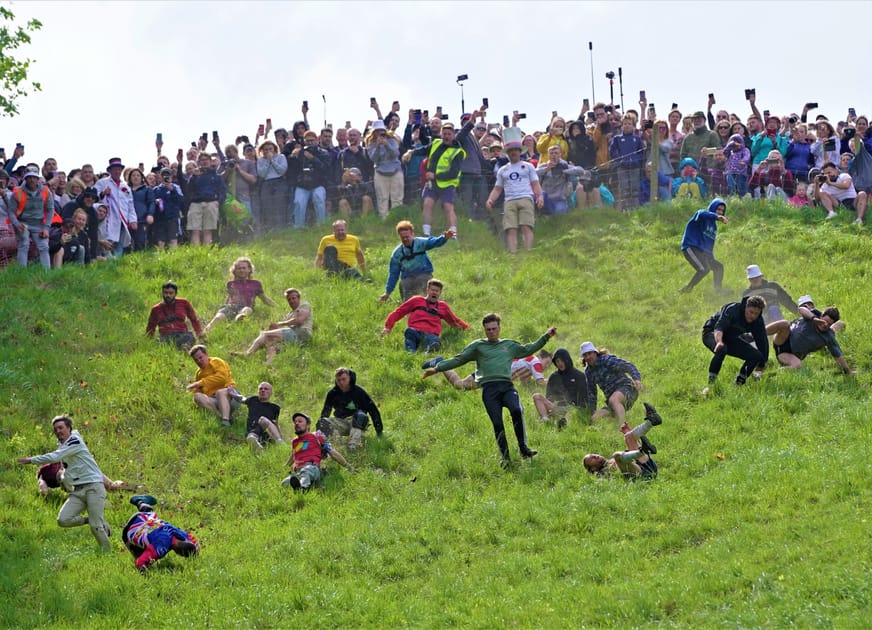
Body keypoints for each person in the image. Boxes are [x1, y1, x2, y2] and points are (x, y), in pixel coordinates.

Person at [423, 313, 557, 466]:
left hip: (506, 387)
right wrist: (437, 368)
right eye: (488, 330)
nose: (491, 332)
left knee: (516, 410)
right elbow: (459, 359)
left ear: (499, 328)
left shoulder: (509, 345)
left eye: (494, 329)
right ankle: (505, 458)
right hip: (489, 390)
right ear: (484, 330)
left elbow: (529, 348)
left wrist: (546, 336)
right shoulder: (478, 346)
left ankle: (523, 448)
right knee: (497, 423)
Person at [16, 415, 112, 550]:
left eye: (61, 428)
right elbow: (68, 469)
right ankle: (90, 519)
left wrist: (31, 460)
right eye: (55, 429)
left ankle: (106, 551)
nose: (58, 431)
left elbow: (55, 456)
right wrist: (64, 482)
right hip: (77, 491)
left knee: (96, 526)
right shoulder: (63, 445)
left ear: (69, 428)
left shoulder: (75, 441)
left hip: (93, 487)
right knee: (63, 520)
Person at [486, 128, 545, 253]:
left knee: (526, 226)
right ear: (507, 153)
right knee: (510, 228)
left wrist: (540, 196)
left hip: (526, 198)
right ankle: (513, 253)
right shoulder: (503, 170)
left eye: (515, 150)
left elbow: (535, 184)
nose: (513, 152)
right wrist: (491, 199)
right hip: (509, 200)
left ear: (520, 151)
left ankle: (528, 252)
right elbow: (497, 188)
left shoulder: (528, 166)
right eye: (510, 150)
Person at [382, 278, 469, 353]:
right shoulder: (416, 300)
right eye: (432, 290)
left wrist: (468, 329)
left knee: (434, 341)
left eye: (437, 291)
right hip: (415, 331)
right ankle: (410, 353)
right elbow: (398, 312)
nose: (434, 293)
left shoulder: (443, 306)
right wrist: (387, 327)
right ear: (427, 290)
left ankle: (429, 352)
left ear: (440, 293)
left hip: (431, 334)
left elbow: (454, 320)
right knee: (409, 332)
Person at [379, 220, 454, 303]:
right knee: (404, 286)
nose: (405, 239)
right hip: (407, 279)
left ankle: (431, 306)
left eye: (407, 237)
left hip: (424, 275)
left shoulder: (420, 243)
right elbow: (393, 274)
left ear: (412, 234)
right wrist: (387, 292)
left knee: (424, 283)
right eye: (403, 238)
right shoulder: (397, 254)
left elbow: (433, 242)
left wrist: (444, 238)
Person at [583, 403, 662, 480]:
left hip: (647, 465)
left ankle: (651, 421)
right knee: (617, 455)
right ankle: (643, 450)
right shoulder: (601, 475)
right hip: (642, 476)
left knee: (628, 437)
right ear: (592, 469)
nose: (595, 456)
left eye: (593, 454)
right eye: (591, 459)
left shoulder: (612, 461)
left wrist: (629, 432)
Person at [702, 295, 768, 387]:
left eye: (756, 313)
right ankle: (711, 385)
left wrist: (762, 362)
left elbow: (762, 342)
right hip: (712, 333)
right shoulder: (733, 309)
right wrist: (719, 342)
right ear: (745, 307)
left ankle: (738, 385)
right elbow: (719, 327)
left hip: (730, 338)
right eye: (751, 312)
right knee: (722, 349)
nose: (753, 316)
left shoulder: (758, 321)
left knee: (756, 356)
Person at [233, 287, 312, 364]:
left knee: (264, 334)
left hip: (301, 333)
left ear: (299, 298)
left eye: (293, 298)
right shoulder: (289, 314)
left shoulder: (304, 305)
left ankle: (248, 354)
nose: (291, 301)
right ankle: (268, 365)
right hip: (295, 339)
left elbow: (299, 320)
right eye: (289, 299)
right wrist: (274, 328)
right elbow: (284, 329)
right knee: (271, 345)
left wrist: (280, 324)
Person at [122, 495, 199, 571]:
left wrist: (195, 552)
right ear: (179, 553)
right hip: (129, 530)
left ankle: (140, 502)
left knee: (152, 518)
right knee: (141, 557)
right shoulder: (161, 546)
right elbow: (140, 563)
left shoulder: (182, 535)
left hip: (143, 517)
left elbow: (193, 542)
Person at [766, 306, 851, 373]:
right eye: (825, 321)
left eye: (829, 324)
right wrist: (814, 318)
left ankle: (771, 373)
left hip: (789, 354)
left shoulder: (828, 337)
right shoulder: (811, 316)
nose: (825, 325)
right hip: (782, 339)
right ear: (821, 316)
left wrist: (848, 372)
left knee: (798, 366)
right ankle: (760, 334)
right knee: (784, 323)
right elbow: (801, 309)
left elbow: (838, 356)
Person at [317, 367, 383, 451]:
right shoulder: (332, 393)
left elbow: (373, 411)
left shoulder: (359, 392)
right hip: (341, 422)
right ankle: (339, 446)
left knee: (360, 416)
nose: (341, 382)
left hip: (357, 422)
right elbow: (325, 412)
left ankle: (352, 446)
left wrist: (379, 432)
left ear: (350, 378)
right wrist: (319, 433)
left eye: (343, 379)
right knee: (322, 422)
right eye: (338, 380)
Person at [281, 412, 352, 491]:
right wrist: (285, 466)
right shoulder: (295, 441)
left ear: (308, 425)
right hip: (298, 471)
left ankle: (303, 488)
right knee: (284, 483)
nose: (297, 423)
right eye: (295, 422)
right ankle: (302, 486)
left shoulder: (317, 436)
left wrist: (348, 466)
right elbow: (294, 454)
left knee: (306, 471)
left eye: (300, 421)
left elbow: (332, 452)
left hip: (312, 468)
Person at [204, 257, 275, 333]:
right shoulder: (231, 284)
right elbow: (229, 297)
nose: (241, 270)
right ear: (235, 271)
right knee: (217, 318)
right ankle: (204, 332)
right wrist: (223, 308)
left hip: (246, 307)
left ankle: (237, 321)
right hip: (231, 307)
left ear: (249, 269)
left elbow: (264, 298)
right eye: (239, 268)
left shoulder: (255, 284)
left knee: (246, 311)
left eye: (244, 268)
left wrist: (276, 306)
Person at [580, 342, 644, 424]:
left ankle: (623, 427)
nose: (588, 357)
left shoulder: (606, 360)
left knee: (614, 399)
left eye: (589, 353)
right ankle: (616, 422)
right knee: (595, 418)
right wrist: (592, 411)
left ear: (595, 352)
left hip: (628, 390)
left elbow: (628, 366)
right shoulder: (589, 372)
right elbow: (592, 393)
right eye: (585, 355)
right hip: (611, 401)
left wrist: (636, 379)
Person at [532, 347, 594, 428]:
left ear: (567, 359)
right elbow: (549, 396)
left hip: (572, 408)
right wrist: (553, 402)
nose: (560, 363)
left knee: (572, 411)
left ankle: (564, 422)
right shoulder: (553, 377)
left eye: (562, 360)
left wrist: (574, 406)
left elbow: (584, 399)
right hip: (556, 407)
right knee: (536, 396)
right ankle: (546, 421)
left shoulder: (579, 375)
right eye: (557, 361)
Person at [679, 198, 729, 294]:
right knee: (704, 269)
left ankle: (718, 291)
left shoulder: (714, 227)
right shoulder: (702, 215)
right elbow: (701, 213)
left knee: (718, 267)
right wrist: (717, 217)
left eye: (722, 211)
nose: (720, 212)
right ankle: (687, 289)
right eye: (718, 209)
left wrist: (711, 259)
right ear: (712, 207)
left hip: (703, 252)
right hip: (690, 247)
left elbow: (709, 245)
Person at [8, 164, 54, 268]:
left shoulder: (46, 191)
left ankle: (46, 273)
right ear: (25, 178)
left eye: (34, 177)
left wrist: (46, 228)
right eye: (29, 177)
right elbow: (11, 211)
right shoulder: (17, 192)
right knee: (24, 244)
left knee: (44, 246)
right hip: (23, 223)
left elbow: (51, 209)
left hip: (39, 224)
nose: (32, 180)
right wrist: (17, 224)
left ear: (38, 178)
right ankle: (22, 272)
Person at [186, 344, 240, 426]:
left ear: (206, 354)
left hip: (230, 395)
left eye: (200, 357)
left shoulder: (216, 362)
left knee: (220, 392)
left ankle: (226, 419)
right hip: (214, 400)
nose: (199, 361)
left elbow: (222, 378)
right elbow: (199, 390)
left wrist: (201, 382)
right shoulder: (199, 373)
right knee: (197, 396)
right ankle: (220, 417)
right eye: (196, 360)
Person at [94, 158, 138, 256]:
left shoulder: (126, 187)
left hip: (122, 222)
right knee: (106, 248)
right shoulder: (102, 183)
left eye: (119, 169)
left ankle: (117, 263)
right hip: (108, 221)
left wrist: (133, 220)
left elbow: (130, 205)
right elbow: (93, 197)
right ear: (110, 171)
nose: (117, 171)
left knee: (119, 247)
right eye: (114, 169)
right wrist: (103, 193)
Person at [145, 281, 205, 350]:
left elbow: (194, 319)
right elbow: (150, 328)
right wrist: (148, 342)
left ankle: (185, 349)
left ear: (175, 293)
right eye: (165, 293)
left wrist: (199, 333)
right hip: (165, 337)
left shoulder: (184, 303)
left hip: (183, 335)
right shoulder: (156, 309)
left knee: (189, 338)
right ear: (162, 293)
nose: (168, 295)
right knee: (159, 343)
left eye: (171, 293)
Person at [185, 152, 227, 246]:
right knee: (195, 230)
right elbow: (188, 190)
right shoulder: (194, 176)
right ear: (198, 162)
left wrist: (218, 202)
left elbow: (223, 191)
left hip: (211, 203)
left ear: (210, 161)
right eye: (202, 160)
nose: (204, 162)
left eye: (206, 160)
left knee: (207, 230)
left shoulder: (216, 176)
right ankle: (196, 251)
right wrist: (194, 176)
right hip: (196, 203)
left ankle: (206, 251)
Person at [35, 461, 126, 496]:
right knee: (111, 487)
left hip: (69, 475)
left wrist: (45, 495)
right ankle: (123, 485)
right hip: (84, 467)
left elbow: (43, 489)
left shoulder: (42, 474)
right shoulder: (55, 460)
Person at [240, 382, 286, 451]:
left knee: (263, 419)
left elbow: (275, 424)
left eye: (266, 389)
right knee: (251, 437)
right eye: (260, 389)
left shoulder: (274, 408)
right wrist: (232, 392)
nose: (263, 390)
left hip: (267, 432)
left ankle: (280, 442)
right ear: (258, 392)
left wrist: (280, 437)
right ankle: (259, 449)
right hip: (253, 430)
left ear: (270, 393)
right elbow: (241, 398)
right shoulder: (253, 400)